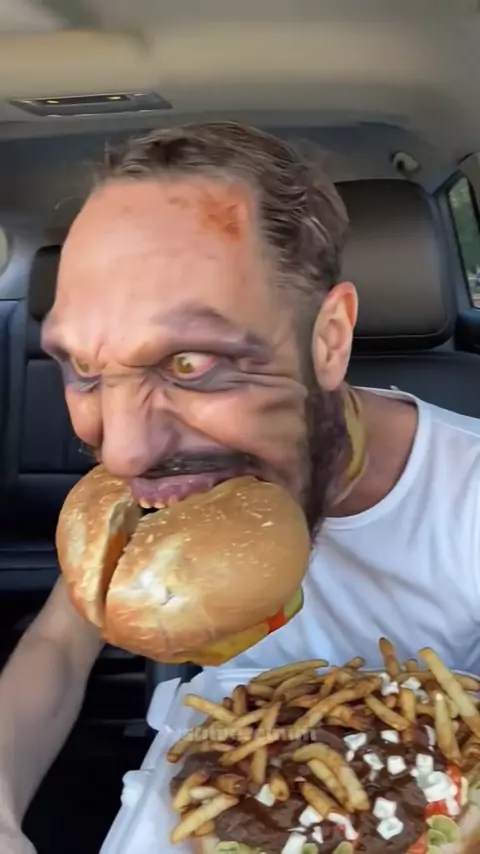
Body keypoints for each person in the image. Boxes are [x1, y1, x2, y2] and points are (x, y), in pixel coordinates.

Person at [1, 121, 480, 850]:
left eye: (191, 362)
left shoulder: (466, 493)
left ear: (329, 339)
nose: (123, 451)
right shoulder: (136, 507)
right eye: (85, 369)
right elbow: (60, 647)